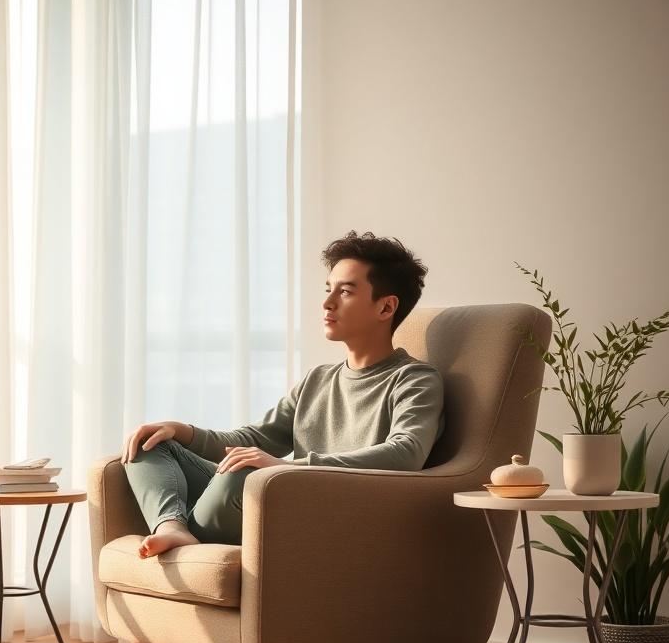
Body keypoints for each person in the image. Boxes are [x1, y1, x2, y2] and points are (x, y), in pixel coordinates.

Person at [120, 231, 445, 558]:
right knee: (149, 443)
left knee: (244, 475)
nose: (327, 303)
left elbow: (407, 452)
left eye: (345, 291)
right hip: (273, 497)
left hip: (320, 513)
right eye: (328, 289)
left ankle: (187, 531)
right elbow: (256, 439)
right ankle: (172, 527)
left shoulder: (414, 379)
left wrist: (289, 468)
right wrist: (183, 431)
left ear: (386, 307)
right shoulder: (318, 379)